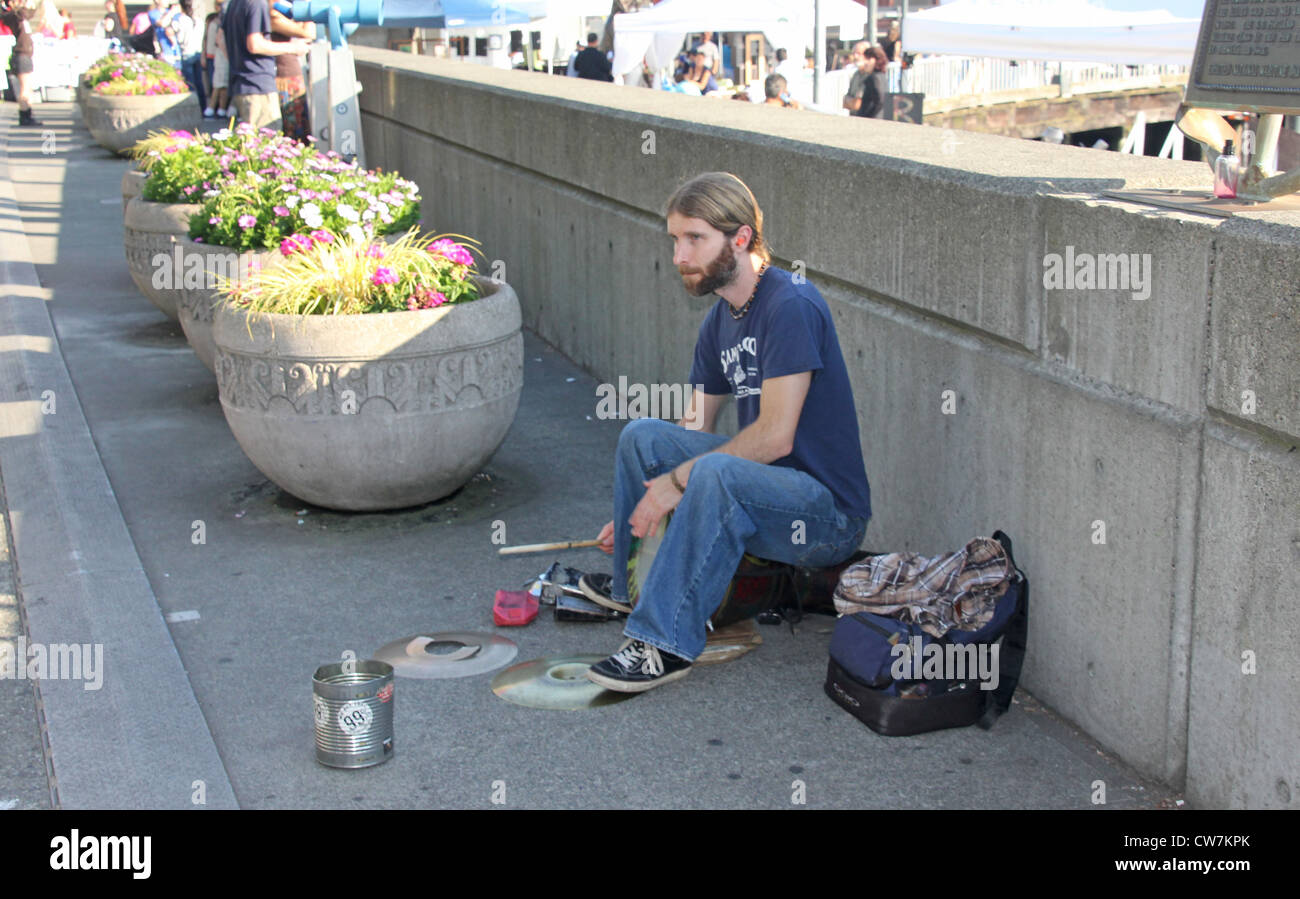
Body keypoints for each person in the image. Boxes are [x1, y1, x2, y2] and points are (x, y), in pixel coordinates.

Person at [581, 172, 872, 692]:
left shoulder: (791, 305)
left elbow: (777, 438)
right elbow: (695, 426)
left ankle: (663, 643)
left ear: (740, 238)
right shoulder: (720, 321)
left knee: (712, 473)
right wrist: (648, 497)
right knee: (644, 437)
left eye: (694, 238)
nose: (679, 256)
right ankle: (637, 586)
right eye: (675, 239)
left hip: (825, 513)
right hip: (762, 488)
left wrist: (677, 485)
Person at [223, 0, 308, 130]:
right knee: (266, 138)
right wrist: (293, 48)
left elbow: (221, 39)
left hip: (242, 81)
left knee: (254, 141)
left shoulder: (234, 3)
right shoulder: (257, 3)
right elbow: (254, 44)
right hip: (258, 83)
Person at [269, 3, 313, 140]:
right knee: (292, 130)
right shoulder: (272, 15)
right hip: (285, 77)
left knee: (298, 127)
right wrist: (309, 8)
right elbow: (309, 33)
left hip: (291, 74)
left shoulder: (280, 13)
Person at [1, 0, 40, 126]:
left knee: (27, 88)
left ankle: (27, 113)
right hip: (21, 54)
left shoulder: (19, 16)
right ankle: (24, 115)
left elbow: (29, 13)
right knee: (25, 88)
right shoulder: (13, 15)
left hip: (24, 54)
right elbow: (23, 13)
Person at [173, 0, 205, 109]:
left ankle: (193, 106)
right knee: (199, 82)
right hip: (197, 52)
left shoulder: (180, 20)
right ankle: (203, 106)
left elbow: (180, 38)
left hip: (186, 53)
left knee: (190, 82)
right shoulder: (199, 20)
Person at [843, 42, 886, 119]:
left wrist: (852, 102)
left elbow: (858, 104)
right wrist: (850, 102)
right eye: (854, 53)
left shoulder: (872, 77)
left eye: (859, 53)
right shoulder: (856, 74)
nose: (855, 57)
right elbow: (845, 102)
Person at [203, 4, 227, 116]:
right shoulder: (214, 21)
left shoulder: (223, 21)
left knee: (221, 84)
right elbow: (209, 39)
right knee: (218, 83)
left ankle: (219, 108)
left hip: (219, 55)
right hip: (215, 55)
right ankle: (215, 108)